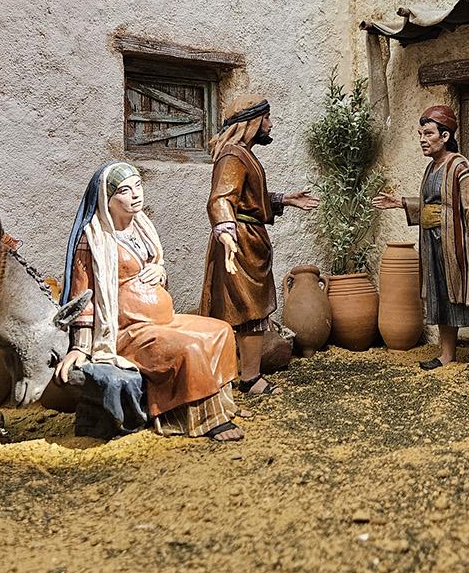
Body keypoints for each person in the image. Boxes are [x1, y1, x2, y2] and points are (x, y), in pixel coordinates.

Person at [56, 162, 242, 442]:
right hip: (127, 331)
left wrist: (160, 270)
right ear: (107, 198)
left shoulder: (141, 226)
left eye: (138, 186)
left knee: (220, 332)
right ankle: (202, 419)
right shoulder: (93, 239)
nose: (135, 195)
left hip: (162, 321)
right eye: (124, 190)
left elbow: (156, 266)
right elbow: (83, 297)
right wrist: (80, 348)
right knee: (189, 348)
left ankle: (221, 406)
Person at [201, 93, 317, 397]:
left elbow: (249, 201)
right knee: (246, 312)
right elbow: (222, 198)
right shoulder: (234, 155)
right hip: (238, 244)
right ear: (251, 122)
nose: (270, 123)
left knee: (249, 313)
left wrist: (283, 200)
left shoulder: (243, 154)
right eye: (265, 118)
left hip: (248, 240)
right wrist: (226, 234)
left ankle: (243, 376)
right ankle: (248, 379)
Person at [373, 105, 469, 373]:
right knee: (442, 295)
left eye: (428, 133)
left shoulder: (459, 165)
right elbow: (429, 205)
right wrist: (400, 202)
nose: (422, 139)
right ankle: (446, 354)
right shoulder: (432, 168)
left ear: (445, 137)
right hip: (434, 245)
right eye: (420, 133)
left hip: (458, 245)